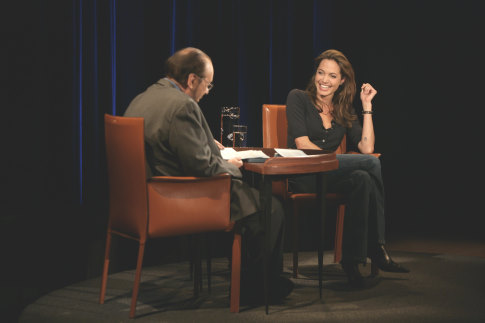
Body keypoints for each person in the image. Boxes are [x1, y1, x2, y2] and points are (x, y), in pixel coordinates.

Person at [123, 47, 292, 304]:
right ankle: (257, 288)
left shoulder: (143, 98)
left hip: (147, 197)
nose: (206, 92)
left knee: (254, 205)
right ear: (192, 80)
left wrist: (206, 141)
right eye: (208, 85)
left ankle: (250, 278)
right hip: (179, 197)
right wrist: (234, 165)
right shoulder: (182, 105)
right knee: (270, 208)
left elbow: (172, 142)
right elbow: (202, 167)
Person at [286, 49, 409, 289]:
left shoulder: (344, 109)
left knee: (363, 177)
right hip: (305, 175)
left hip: (329, 177)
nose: (324, 80)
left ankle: (351, 264)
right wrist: (334, 159)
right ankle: (378, 246)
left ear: (342, 81)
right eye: (321, 73)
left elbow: (366, 146)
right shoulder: (298, 97)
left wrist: (366, 106)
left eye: (332, 76)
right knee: (372, 163)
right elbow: (302, 144)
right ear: (315, 74)